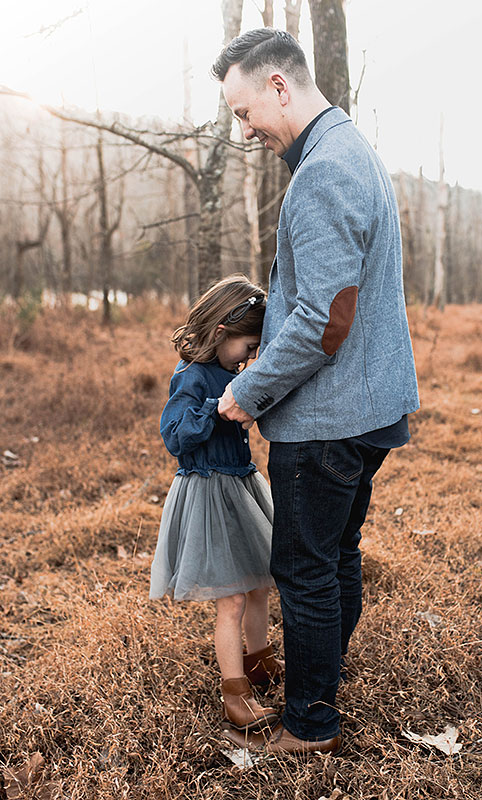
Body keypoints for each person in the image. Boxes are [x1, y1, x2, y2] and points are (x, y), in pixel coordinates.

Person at [212, 29, 419, 755]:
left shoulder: (324, 170)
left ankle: (310, 725)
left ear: (279, 85)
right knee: (336, 556)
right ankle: (321, 674)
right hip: (369, 407)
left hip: (330, 419)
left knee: (305, 568)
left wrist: (250, 389)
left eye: (244, 112)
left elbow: (324, 319)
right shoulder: (349, 149)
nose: (244, 131)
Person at [149, 275, 284, 734]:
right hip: (208, 493)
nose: (251, 357)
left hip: (242, 489)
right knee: (230, 598)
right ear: (222, 332)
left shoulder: (233, 374)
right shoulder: (191, 377)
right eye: (249, 346)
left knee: (259, 582)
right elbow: (175, 436)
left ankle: (259, 660)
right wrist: (216, 408)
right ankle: (235, 693)